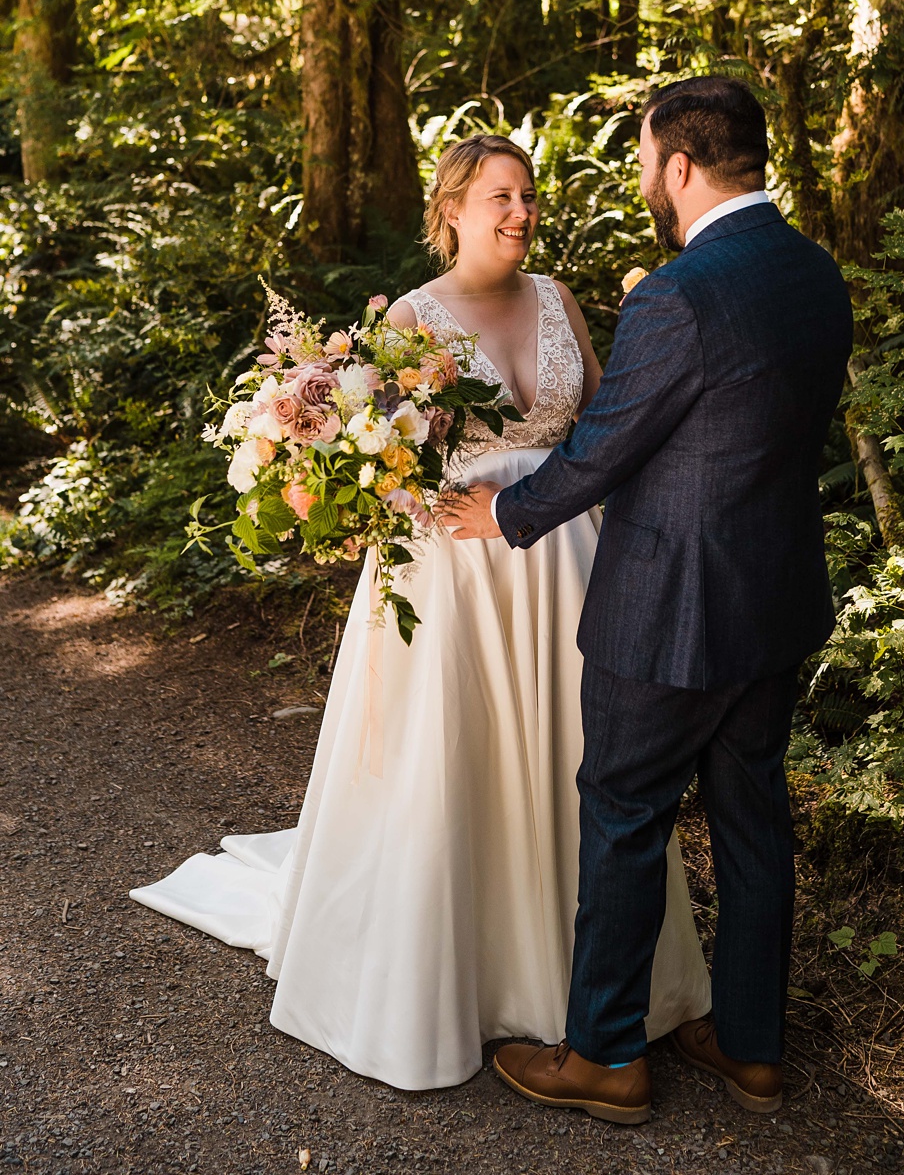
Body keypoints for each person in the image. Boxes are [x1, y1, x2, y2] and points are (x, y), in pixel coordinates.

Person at [131, 132, 710, 1095]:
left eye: (527, 194)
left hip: (567, 560)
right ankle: (461, 975)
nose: (520, 211)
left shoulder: (560, 300)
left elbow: (609, 433)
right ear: (452, 210)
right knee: (459, 758)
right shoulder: (410, 317)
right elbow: (375, 456)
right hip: (454, 577)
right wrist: (345, 490)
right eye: (499, 196)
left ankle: (596, 985)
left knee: (583, 760)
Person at [445, 80, 853, 1123]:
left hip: (667, 611)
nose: (641, 178)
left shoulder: (676, 293)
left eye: (641, 159)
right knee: (752, 822)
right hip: (773, 605)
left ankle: (604, 1056)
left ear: (677, 166)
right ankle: (752, 1048)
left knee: (625, 816)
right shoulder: (815, 274)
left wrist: (508, 517)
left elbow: (607, 443)